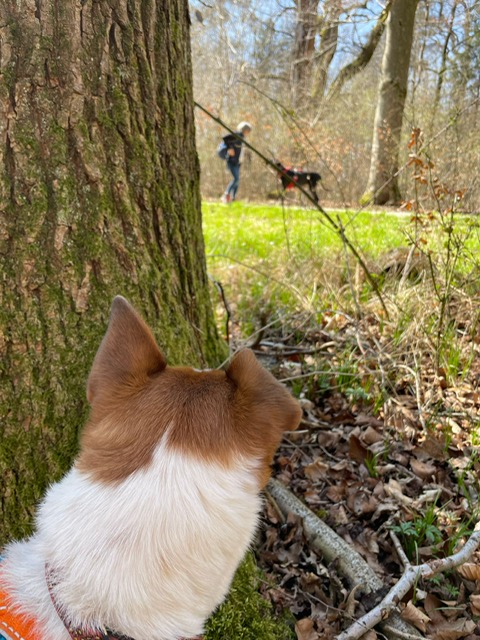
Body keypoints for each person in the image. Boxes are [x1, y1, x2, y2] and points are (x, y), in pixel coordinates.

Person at [221, 122, 252, 203]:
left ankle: (233, 197)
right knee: (236, 179)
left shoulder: (243, 138)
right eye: (248, 131)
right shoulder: (237, 135)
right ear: (244, 130)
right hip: (232, 161)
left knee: (237, 181)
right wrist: (230, 148)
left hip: (238, 162)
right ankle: (226, 194)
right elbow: (225, 138)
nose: (248, 133)